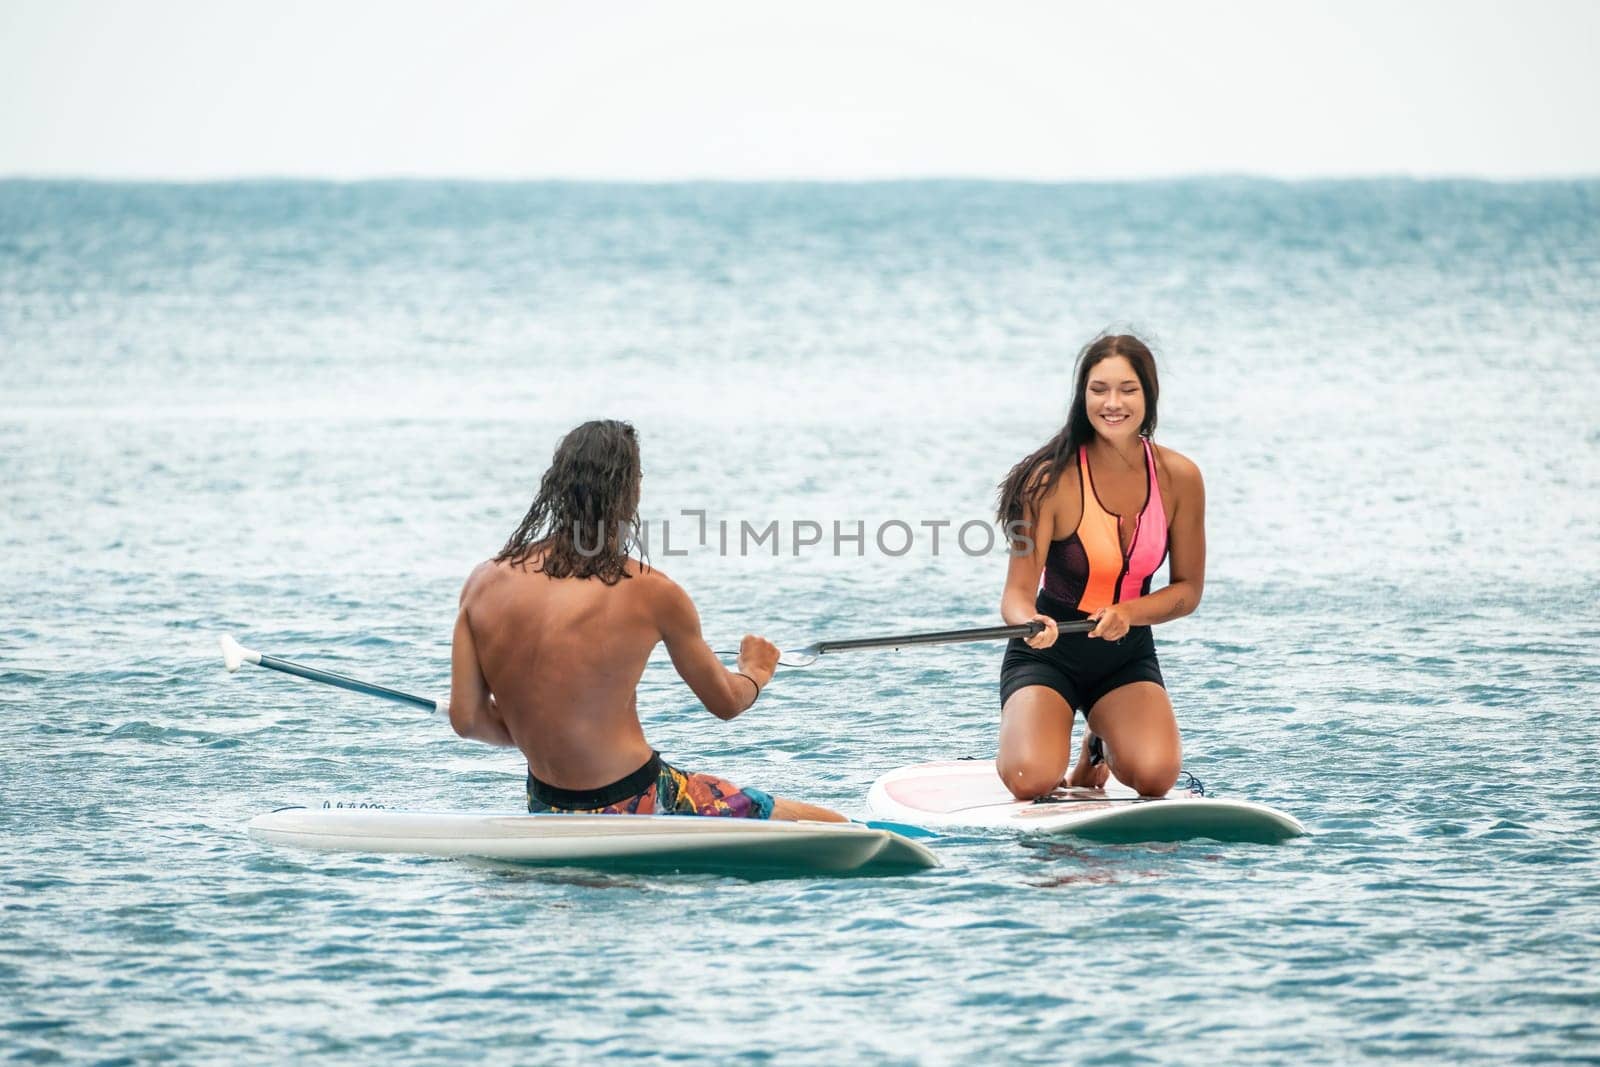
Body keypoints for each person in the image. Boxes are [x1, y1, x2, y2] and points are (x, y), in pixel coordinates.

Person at [447, 419, 845, 822]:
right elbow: (725, 702)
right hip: (639, 795)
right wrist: (757, 670)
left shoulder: (483, 583)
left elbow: (467, 719)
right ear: (630, 490)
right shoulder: (653, 592)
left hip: (547, 804)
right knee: (832, 823)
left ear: (555, 487)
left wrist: (547, 725)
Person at [993, 334, 1206, 799]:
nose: (1113, 403)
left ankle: (1096, 745)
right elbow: (1015, 593)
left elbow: (1188, 589)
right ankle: (1043, 731)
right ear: (1081, 395)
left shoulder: (1180, 478)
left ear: (1148, 395)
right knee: (1031, 780)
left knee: (1155, 777)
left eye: (1128, 389)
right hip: (1048, 651)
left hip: (1125, 654)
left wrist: (1129, 614)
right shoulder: (1048, 481)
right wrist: (1028, 622)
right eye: (1098, 389)